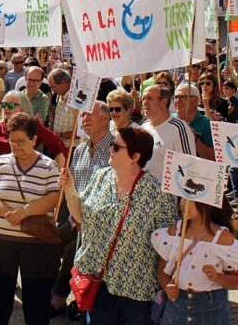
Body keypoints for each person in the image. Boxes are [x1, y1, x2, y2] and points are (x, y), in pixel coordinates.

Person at [62, 127, 176, 325]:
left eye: (116, 146)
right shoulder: (100, 178)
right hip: (97, 282)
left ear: (135, 156)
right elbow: (81, 216)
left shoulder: (157, 193)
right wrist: (69, 189)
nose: (110, 149)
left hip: (136, 290)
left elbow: (167, 244)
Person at [0, 113, 60, 325]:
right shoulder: (0, 162)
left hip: (35, 243)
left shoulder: (49, 166)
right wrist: (8, 212)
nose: (15, 146)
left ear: (34, 140)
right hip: (1, 241)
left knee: (36, 300)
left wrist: (25, 211)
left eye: (21, 141)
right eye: (12, 141)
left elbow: (54, 197)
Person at [50, 103, 115, 316]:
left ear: (105, 118)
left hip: (102, 224)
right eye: (83, 115)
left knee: (72, 251)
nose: (84, 118)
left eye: (90, 114)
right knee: (48, 241)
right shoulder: (79, 150)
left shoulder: (116, 148)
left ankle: (62, 298)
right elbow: (74, 187)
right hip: (76, 217)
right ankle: (50, 290)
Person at [153, 198, 238, 325]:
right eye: (182, 198)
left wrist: (217, 277)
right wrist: (167, 286)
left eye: (190, 199)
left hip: (212, 310)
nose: (183, 203)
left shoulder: (222, 238)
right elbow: (161, 270)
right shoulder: (175, 231)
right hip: (176, 309)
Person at [0, 90, 66, 172]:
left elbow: (58, 145)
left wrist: (58, 176)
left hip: (22, 180)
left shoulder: (32, 125)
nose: (6, 108)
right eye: (4, 104)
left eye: (11, 105)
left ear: (23, 108)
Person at [140, 84, 197, 180]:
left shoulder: (179, 128)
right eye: (143, 99)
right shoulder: (143, 127)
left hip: (167, 193)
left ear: (163, 102)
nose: (144, 103)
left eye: (149, 98)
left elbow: (189, 166)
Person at [173, 82, 215, 160]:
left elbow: (213, 158)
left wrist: (194, 140)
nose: (178, 100)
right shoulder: (168, 120)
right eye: (176, 97)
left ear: (195, 100)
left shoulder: (207, 124)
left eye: (183, 97)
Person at [47, 68, 77, 140]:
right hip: (59, 145)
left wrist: (61, 135)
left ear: (63, 83)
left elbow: (82, 131)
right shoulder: (60, 95)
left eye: (54, 86)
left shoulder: (77, 100)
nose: (52, 90)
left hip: (71, 147)